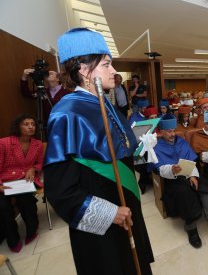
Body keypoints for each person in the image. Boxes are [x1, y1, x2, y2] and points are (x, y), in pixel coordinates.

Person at [43, 28, 154, 274]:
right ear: (84, 70)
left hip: (125, 203)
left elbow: (119, 149)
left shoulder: (105, 103)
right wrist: (108, 213)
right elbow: (59, 189)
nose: (114, 72)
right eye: (106, 64)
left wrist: (142, 147)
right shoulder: (66, 113)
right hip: (103, 219)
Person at [147, 114, 208, 249]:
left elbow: (191, 161)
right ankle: (191, 228)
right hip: (172, 179)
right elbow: (159, 169)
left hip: (189, 173)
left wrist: (192, 175)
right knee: (184, 192)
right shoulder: (157, 147)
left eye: (174, 130)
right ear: (161, 132)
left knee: (204, 185)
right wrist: (172, 169)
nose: (173, 134)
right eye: (169, 131)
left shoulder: (181, 141)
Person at [0, 114, 43, 253]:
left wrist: (33, 168)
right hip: (4, 182)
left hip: (24, 181)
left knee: (26, 201)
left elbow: (40, 162)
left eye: (33, 124)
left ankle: (31, 231)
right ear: (18, 126)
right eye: (26, 124)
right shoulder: (4, 143)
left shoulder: (37, 144)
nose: (31, 127)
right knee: (3, 207)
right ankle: (12, 239)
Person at [21, 69, 70, 134]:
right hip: (47, 126)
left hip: (63, 125)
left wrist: (47, 98)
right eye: (48, 73)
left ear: (58, 79)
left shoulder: (66, 92)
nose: (48, 74)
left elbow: (66, 107)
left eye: (51, 73)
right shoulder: (43, 91)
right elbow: (26, 93)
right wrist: (24, 77)